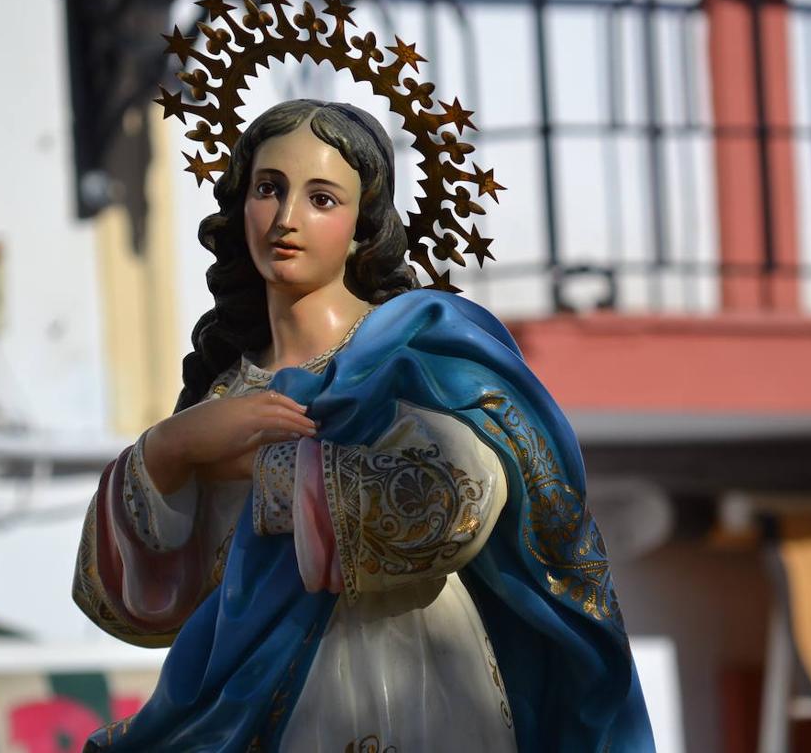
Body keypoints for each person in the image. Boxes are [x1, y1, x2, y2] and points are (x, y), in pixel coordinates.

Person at [75, 99, 654, 752]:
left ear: (362, 227)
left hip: (410, 683)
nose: (287, 219)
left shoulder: (414, 354)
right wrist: (171, 449)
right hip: (244, 704)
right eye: (269, 189)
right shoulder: (224, 393)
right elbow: (143, 603)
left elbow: (453, 504)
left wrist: (272, 469)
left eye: (322, 199)